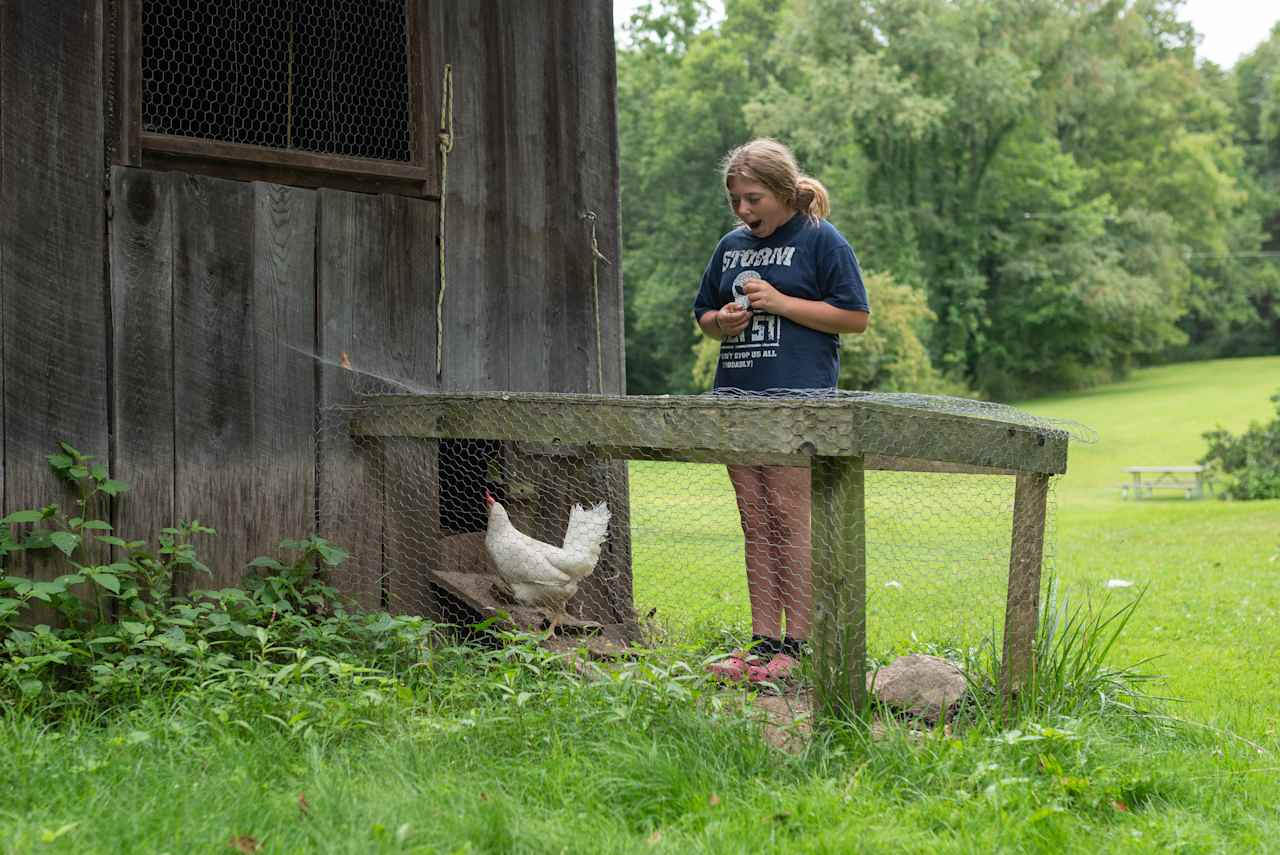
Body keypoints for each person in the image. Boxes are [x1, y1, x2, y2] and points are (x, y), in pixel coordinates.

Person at [692, 138, 870, 682]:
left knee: (790, 521)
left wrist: (781, 303)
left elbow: (855, 317)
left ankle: (801, 645)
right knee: (755, 522)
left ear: (784, 193)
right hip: (737, 399)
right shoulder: (730, 247)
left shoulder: (821, 240)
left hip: (798, 400)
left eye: (753, 199)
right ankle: (763, 642)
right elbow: (702, 312)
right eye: (735, 202)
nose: (744, 211)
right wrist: (722, 322)